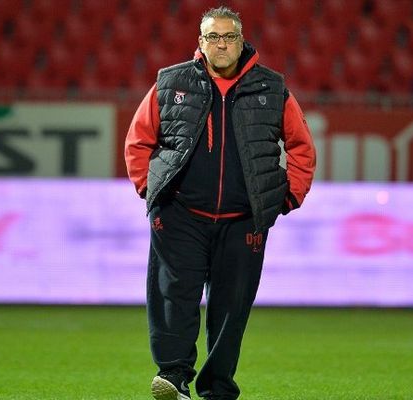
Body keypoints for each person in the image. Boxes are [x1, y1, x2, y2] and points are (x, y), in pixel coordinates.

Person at [124, 6, 316, 400]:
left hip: (243, 220)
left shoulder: (272, 88)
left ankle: (218, 389)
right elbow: (138, 140)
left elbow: (301, 146)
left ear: (242, 41)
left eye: (229, 37)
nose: (222, 44)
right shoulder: (170, 82)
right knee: (173, 298)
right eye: (213, 37)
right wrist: (152, 190)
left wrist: (289, 195)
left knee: (231, 310)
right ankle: (174, 377)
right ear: (201, 43)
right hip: (180, 216)